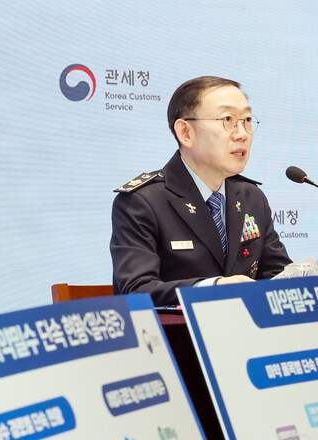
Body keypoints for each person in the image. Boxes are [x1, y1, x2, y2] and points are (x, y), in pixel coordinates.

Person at [110, 76, 291, 306]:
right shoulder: (142, 202)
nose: (242, 134)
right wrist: (212, 288)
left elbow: (277, 274)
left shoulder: (250, 197)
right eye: (227, 119)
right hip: (177, 329)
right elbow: (136, 290)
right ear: (186, 133)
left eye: (246, 120)